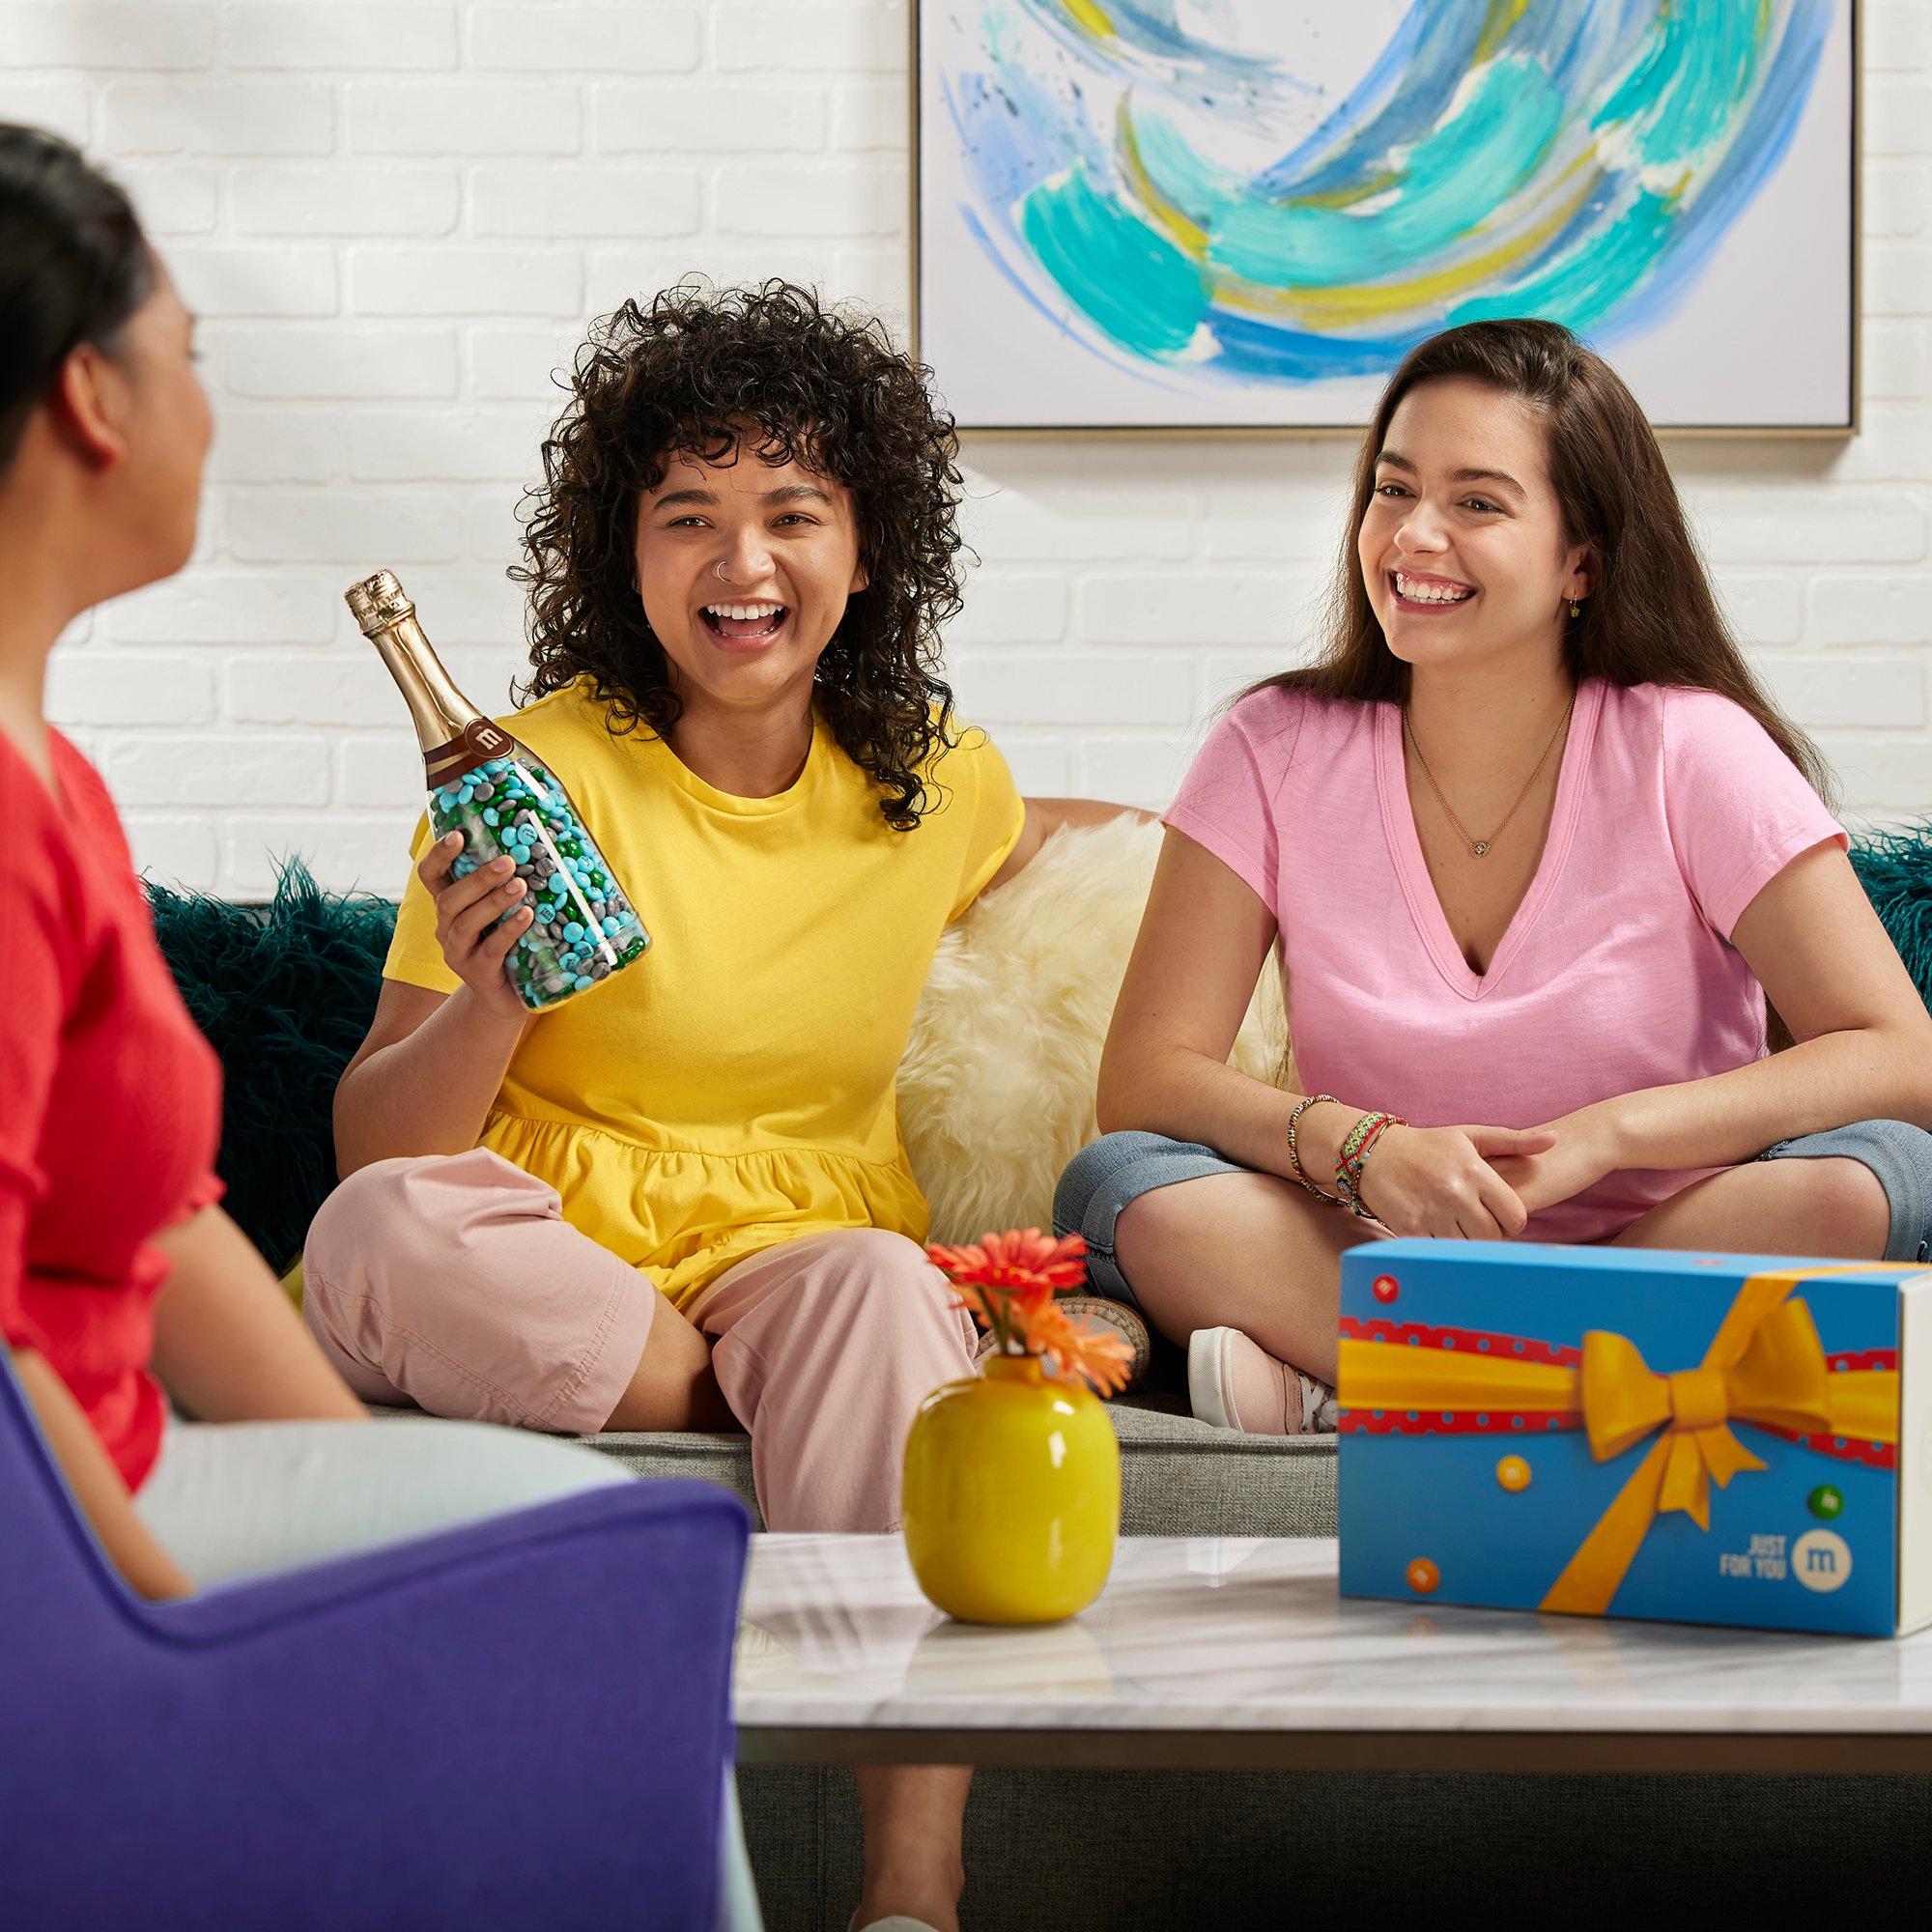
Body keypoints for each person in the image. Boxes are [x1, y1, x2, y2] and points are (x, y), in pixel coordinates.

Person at [303, 279, 1136, 1932]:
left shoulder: (931, 780)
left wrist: (1296, 862)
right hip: (546, 1246)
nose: (741, 566)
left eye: (790, 515)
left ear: (867, 547)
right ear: (628, 553)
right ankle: (722, 1389)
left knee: (890, 1293)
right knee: (383, 1226)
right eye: (689, 516)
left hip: (806, 1246)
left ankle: (914, 1894)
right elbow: (378, 1150)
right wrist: (492, 997)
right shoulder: (534, 775)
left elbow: (1096, 849)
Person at [0, 125, 761, 1926]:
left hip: (141, 1472)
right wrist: (147, 1628)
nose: (209, 402)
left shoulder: (56, 780)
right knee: (616, 1586)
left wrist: (332, 1454)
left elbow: (159, 1221)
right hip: (64, 1549)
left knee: (610, 1558)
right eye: (190, 353)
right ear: (97, 397)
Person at [1057, 318, 1932, 1437]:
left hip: (1664, 1240)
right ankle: (1588, 1388)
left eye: (1476, 501)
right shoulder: (1270, 745)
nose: (1412, 536)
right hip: (1377, 1250)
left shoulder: (1690, 747)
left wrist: (1610, 1135)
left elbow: (1898, 1054)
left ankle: (1391, 1379)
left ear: (1582, 559)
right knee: (1123, 1183)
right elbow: (1145, 1078)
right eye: (1391, 490)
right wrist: (1362, 1149)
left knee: (1873, 1175)